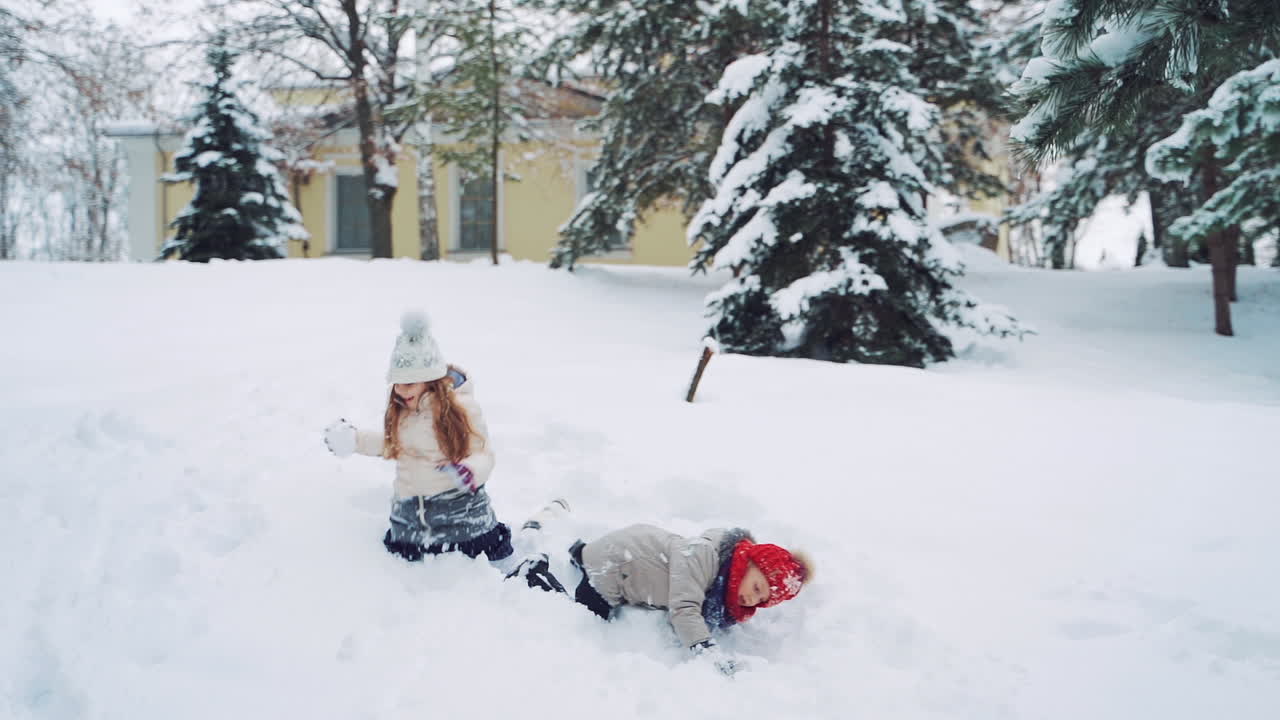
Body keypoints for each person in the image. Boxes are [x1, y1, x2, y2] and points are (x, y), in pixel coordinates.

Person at [323, 311, 513, 567]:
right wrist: (356, 441)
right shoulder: (403, 411)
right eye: (397, 383)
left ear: (431, 381)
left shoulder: (461, 409)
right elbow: (393, 445)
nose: (401, 391)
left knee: (463, 570)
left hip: (461, 521)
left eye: (409, 383)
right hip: (410, 524)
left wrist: (470, 471)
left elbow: (484, 454)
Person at [511, 523, 812, 674]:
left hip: (630, 562)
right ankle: (535, 574)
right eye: (757, 588)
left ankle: (581, 554)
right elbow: (683, 609)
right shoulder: (705, 556)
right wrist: (706, 650)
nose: (751, 600)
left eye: (761, 601)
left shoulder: (720, 577)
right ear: (748, 564)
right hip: (616, 568)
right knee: (587, 615)